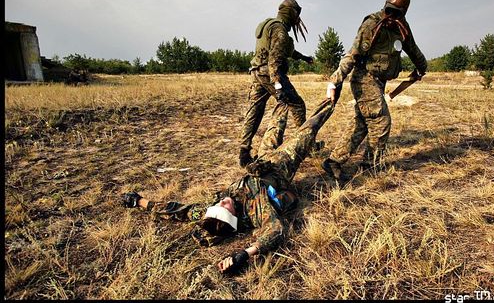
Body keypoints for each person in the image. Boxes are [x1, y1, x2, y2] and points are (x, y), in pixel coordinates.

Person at [121, 98, 336, 275]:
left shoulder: (210, 211)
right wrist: (245, 254)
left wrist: (138, 201)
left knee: (275, 123)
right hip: (279, 165)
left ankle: (282, 96)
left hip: (260, 162)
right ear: (233, 218)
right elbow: (276, 230)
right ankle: (331, 99)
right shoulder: (256, 212)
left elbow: (177, 210)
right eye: (225, 207)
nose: (223, 201)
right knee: (306, 132)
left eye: (218, 203)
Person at [323, 0, 428, 179]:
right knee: (381, 121)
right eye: (389, 10)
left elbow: (412, 48)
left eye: (397, 12)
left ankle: (334, 161)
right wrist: (334, 82)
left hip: (379, 82)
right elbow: (352, 54)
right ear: (385, 4)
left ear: (404, 12)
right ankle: (369, 165)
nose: (391, 15)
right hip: (364, 78)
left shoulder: (402, 27)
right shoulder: (371, 24)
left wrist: (422, 67)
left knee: (362, 123)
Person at [239, 0, 314, 168]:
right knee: (296, 104)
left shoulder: (269, 25)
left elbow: (288, 50)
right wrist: (278, 86)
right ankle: (304, 143)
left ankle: (244, 153)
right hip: (270, 74)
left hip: (257, 72)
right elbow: (275, 59)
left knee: (255, 110)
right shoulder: (280, 29)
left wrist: (304, 58)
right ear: (292, 13)